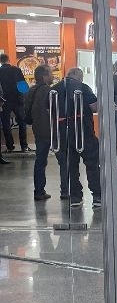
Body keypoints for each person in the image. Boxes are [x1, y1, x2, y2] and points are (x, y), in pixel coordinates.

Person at [54, 67, 102, 208]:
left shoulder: (54, 89)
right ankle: (97, 196)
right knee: (92, 165)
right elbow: (94, 107)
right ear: (79, 77)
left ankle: (75, 197)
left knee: (70, 167)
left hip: (62, 134)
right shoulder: (83, 88)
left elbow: (49, 109)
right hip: (84, 132)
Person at [23, 63, 54, 201]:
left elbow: (27, 110)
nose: (52, 76)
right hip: (50, 129)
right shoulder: (49, 91)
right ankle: (66, 191)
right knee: (63, 160)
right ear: (44, 76)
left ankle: (39, 191)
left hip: (38, 129)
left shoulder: (31, 90)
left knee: (40, 161)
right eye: (50, 73)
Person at [0, 53, 29, 152]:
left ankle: (9, 146)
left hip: (4, 101)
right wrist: (24, 98)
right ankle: (24, 146)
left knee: (6, 124)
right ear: (8, 60)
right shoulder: (16, 70)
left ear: (0, 61)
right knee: (22, 122)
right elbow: (23, 86)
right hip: (17, 100)